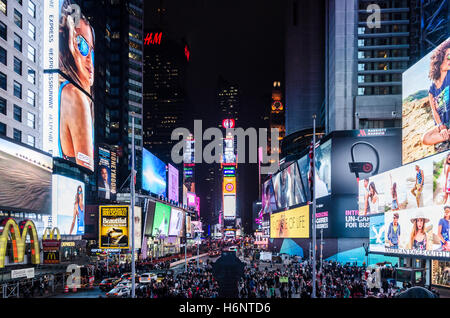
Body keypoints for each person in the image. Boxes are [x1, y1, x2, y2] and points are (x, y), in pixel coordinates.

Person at [58, 1, 95, 171]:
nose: (90, 60)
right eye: (82, 45)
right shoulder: (76, 96)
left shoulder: (67, 91)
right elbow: (85, 172)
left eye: (92, 51)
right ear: (69, 45)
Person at [422, 39, 450, 148]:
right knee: (425, 138)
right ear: (439, 59)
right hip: (444, 124)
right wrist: (441, 126)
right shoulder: (432, 90)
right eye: (448, 56)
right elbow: (434, 111)